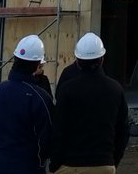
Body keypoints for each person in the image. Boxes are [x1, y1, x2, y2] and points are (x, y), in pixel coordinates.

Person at [50, 32, 128, 173]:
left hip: (70, 165)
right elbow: (122, 132)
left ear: (78, 61)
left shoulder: (67, 89)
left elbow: (58, 130)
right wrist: (112, 161)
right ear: (102, 60)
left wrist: (55, 164)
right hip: (104, 164)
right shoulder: (115, 89)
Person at [0, 34, 54, 174]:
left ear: (15, 60)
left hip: (0, 166)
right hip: (29, 167)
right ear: (39, 64)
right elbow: (48, 138)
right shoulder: (39, 97)